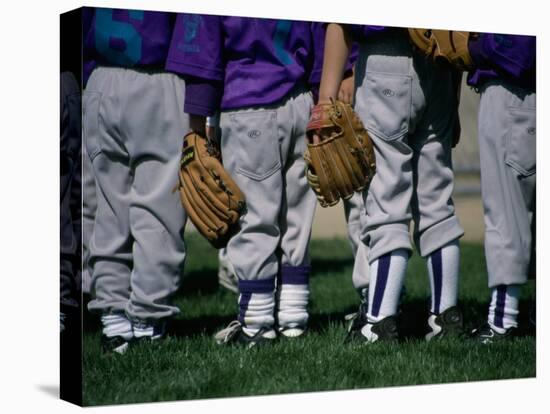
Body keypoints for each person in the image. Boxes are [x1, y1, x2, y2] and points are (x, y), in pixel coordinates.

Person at [166, 15, 323, 345]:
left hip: (249, 104)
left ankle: (256, 324)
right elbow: (322, 35)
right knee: (297, 215)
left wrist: (196, 129)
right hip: (301, 100)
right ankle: (294, 317)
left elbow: (204, 57)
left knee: (255, 219)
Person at [315, 24, 464, 342]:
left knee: (386, 199)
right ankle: (446, 316)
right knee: (437, 200)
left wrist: (325, 105)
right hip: (440, 65)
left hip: (385, 60)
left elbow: (340, 21)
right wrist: (454, 99)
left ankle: (379, 322)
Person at [83, 8, 189, 353]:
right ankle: (147, 317)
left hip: (101, 78)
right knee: (159, 211)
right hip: (159, 80)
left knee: (108, 210)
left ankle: (113, 316)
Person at [467, 33, 536, 342]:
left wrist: (476, 44)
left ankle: (502, 321)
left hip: (512, 89)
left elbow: (517, 49)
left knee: (505, 212)